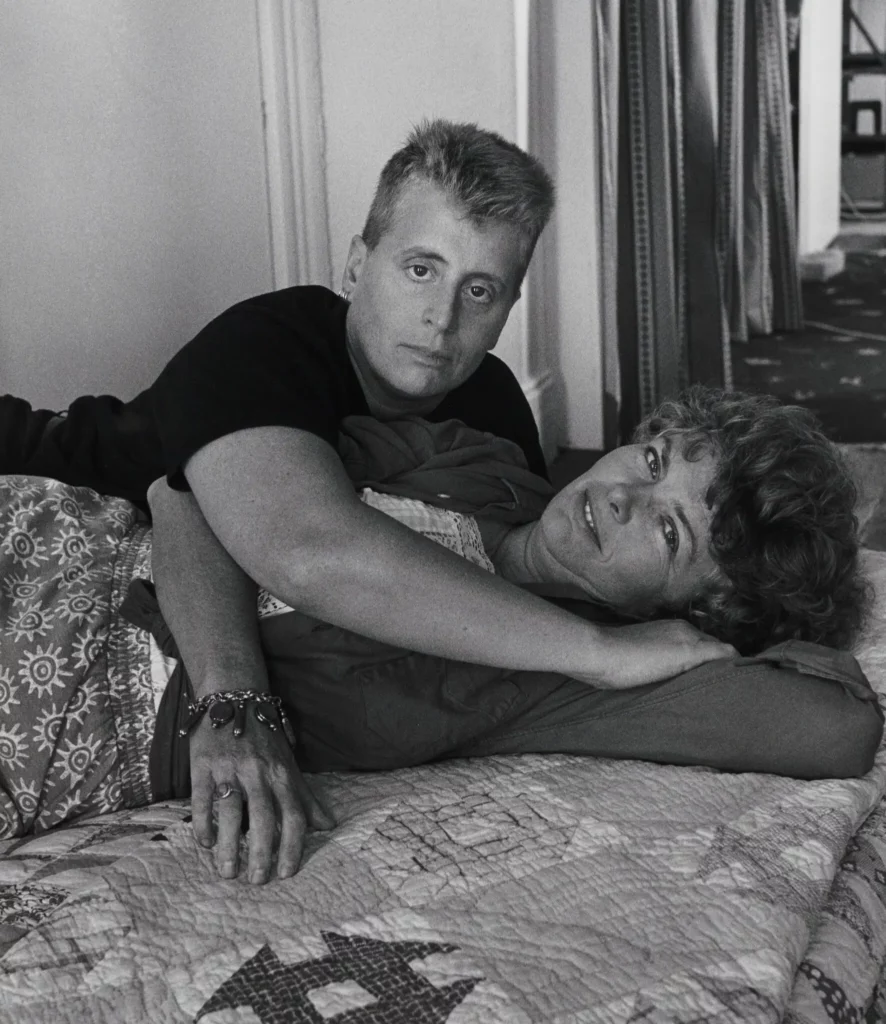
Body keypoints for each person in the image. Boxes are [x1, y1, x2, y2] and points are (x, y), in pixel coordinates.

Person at [0, 122, 734, 867]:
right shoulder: (267, 341)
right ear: (357, 264)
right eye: (421, 269)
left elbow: (497, 576)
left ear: (509, 305)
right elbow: (306, 550)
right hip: (34, 486)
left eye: (479, 290)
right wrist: (599, 653)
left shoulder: (491, 408)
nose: (442, 320)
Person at [0, 387, 878, 849]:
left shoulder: (548, 681)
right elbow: (186, 486)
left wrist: (715, 633)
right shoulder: (472, 458)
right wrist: (236, 702)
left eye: (669, 527)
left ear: (704, 603)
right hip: (49, 538)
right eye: (652, 460)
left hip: (51, 713)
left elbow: (831, 726)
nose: (618, 495)